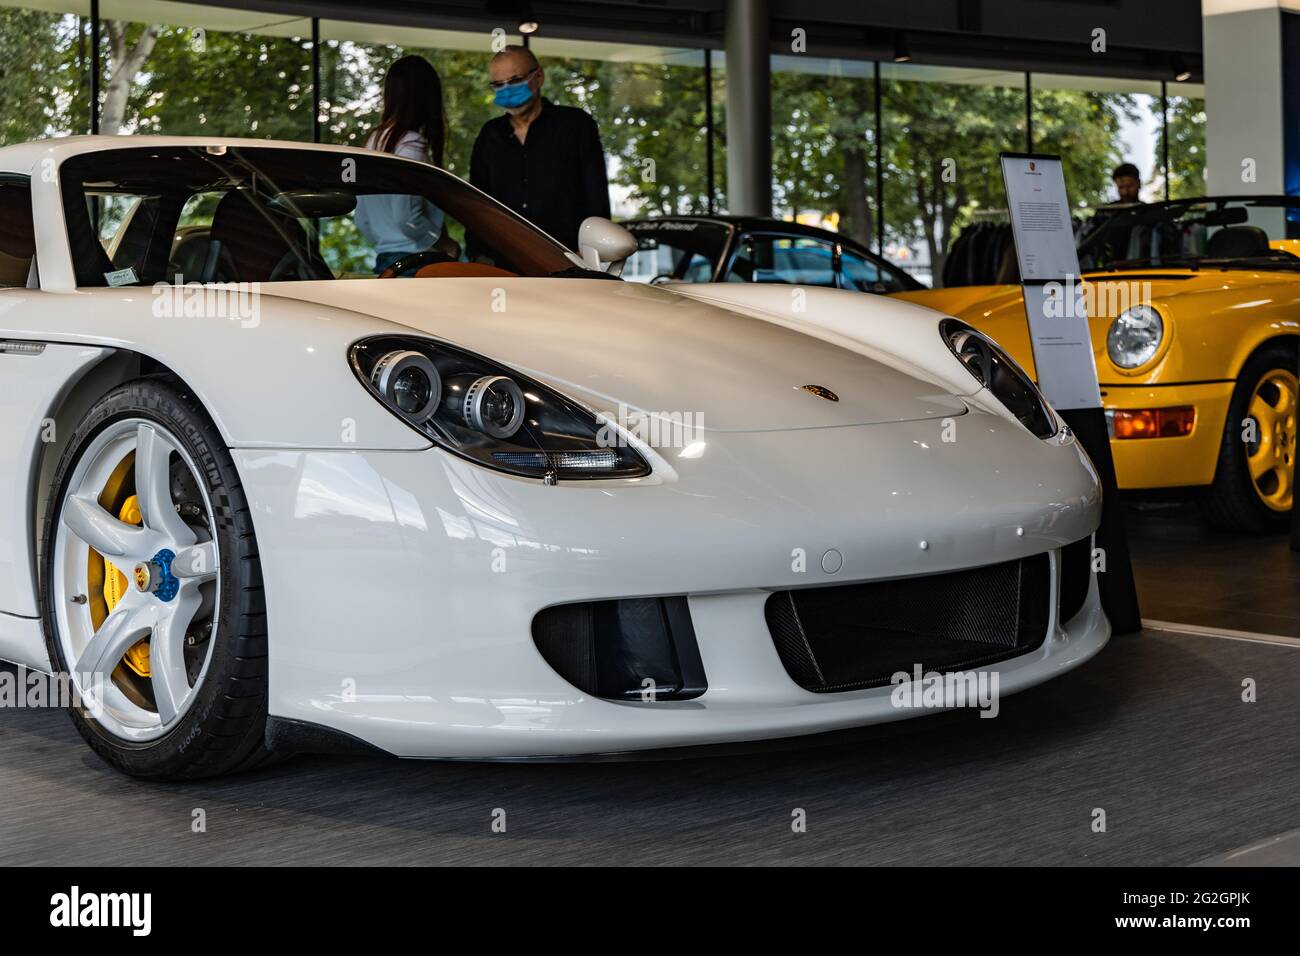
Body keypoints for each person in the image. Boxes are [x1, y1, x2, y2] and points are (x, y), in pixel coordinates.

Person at [469, 45, 611, 252]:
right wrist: (477, 255)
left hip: (569, 259)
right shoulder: (490, 135)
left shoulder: (575, 125)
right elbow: (477, 204)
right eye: (498, 84)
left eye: (516, 80)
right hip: (505, 261)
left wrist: (593, 252)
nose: (507, 90)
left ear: (539, 77)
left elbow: (596, 195)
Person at [355, 55, 450, 275]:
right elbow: (406, 218)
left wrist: (386, 239)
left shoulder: (371, 143)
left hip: (385, 263)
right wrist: (440, 242)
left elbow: (362, 220)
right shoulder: (410, 147)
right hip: (417, 263)